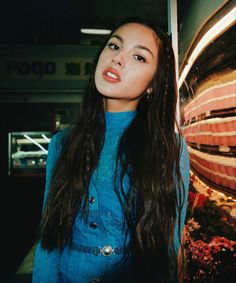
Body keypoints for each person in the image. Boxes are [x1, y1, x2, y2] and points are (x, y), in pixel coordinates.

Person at [32, 17, 190, 283]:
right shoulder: (63, 144)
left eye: (139, 57)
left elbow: (167, 248)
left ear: (153, 84)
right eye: (114, 46)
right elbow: (50, 241)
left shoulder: (169, 149)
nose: (117, 59)